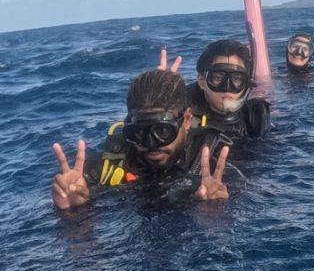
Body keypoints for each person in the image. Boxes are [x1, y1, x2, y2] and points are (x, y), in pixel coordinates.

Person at [49, 69, 236, 210]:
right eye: (139, 132)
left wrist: (216, 208)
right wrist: (74, 210)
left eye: (162, 131)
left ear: (186, 120)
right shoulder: (109, 165)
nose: (151, 144)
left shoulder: (216, 159)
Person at [159, 41, 270, 149]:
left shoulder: (255, 116)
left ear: (246, 83)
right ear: (202, 80)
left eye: (237, 79)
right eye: (218, 78)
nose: (227, 88)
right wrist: (159, 100)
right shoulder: (183, 116)